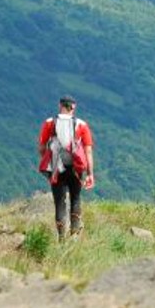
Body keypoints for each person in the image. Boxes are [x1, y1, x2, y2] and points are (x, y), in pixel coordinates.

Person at [38, 95, 95, 241]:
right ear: (73, 107)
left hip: (56, 167)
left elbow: (42, 146)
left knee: (59, 201)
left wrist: (48, 162)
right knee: (75, 198)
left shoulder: (49, 123)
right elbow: (88, 151)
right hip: (76, 168)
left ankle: (61, 238)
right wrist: (90, 174)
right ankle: (74, 234)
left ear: (60, 105)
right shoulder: (82, 124)